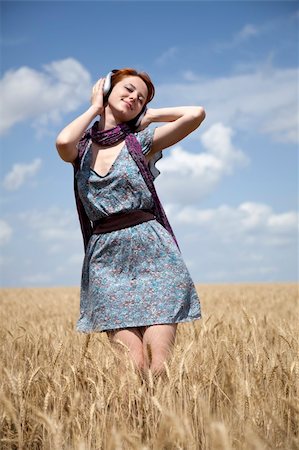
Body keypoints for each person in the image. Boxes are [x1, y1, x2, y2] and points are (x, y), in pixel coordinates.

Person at [56, 68, 206, 378]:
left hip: (154, 254)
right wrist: (95, 108)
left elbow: (195, 114)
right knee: (132, 367)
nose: (134, 97)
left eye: (141, 97)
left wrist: (149, 116)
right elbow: (62, 142)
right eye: (127, 89)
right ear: (106, 90)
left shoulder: (142, 142)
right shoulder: (81, 150)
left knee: (159, 365)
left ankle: (166, 427)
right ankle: (133, 427)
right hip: (106, 260)